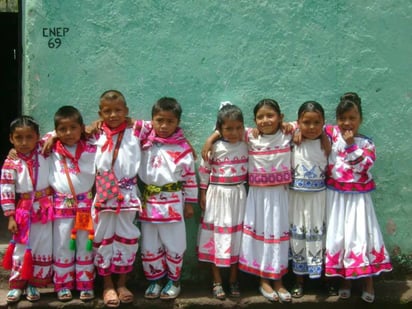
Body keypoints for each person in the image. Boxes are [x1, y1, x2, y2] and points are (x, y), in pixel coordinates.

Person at [202, 99, 293, 303]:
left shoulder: (288, 132)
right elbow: (226, 129)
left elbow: (314, 125)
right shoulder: (249, 136)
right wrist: (210, 139)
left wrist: (308, 132)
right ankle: (264, 281)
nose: (265, 120)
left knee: (278, 236)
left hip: (280, 195)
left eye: (270, 115)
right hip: (257, 196)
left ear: (281, 117)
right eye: (260, 117)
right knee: (261, 236)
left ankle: (279, 280)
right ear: (254, 121)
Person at [324, 92, 392, 303]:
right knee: (341, 237)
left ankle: (368, 282)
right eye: (342, 118)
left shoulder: (366, 144)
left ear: (360, 119)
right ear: (337, 119)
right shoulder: (332, 135)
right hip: (336, 198)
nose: (347, 123)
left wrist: (352, 145)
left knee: (361, 237)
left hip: (359, 201)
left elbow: (364, 166)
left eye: (352, 118)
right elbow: (310, 125)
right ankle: (345, 280)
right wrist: (293, 129)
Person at [136, 97, 198, 300]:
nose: (163, 126)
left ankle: (174, 280)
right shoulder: (145, 142)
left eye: (170, 121)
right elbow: (128, 124)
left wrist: (189, 203)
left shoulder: (183, 149)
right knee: (149, 244)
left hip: (172, 203)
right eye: (159, 120)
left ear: (177, 123)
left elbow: (189, 178)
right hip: (148, 203)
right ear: (152, 120)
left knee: (174, 242)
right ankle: (155, 280)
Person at [92, 90, 142, 307]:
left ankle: (122, 282)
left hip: (128, 195)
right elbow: (65, 132)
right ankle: (107, 285)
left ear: (126, 111)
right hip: (104, 196)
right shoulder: (95, 134)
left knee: (127, 237)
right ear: (100, 113)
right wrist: (53, 136)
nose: (113, 115)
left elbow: (164, 126)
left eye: (118, 110)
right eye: (107, 111)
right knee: (103, 238)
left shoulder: (137, 131)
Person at [197, 103, 248, 300]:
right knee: (217, 237)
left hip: (238, 196)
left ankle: (233, 279)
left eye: (238, 128)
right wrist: (203, 193)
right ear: (219, 129)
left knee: (237, 237)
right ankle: (217, 280)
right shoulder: (215, 148)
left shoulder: (246, 144)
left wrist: (212, 136)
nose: (234, 132)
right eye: (228, 128)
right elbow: (204, 171)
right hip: (217, 195)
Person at [1, 116, 53, 303]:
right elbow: (6, 188)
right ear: (11, 139)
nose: (24, 142)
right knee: (22, 246)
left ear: (37, 137)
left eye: (29, 137)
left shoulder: (44, 150)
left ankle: (34, 283)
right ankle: (17, 284)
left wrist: (52, 138)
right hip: (23, 208)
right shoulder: (10, 162)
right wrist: (10, 216)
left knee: (43, 243)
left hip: (45, 207)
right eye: (19, 138)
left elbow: (57, 132)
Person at [47, 106, 97, 301]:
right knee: (63, 244)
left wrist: (92, 127)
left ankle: (85, 284)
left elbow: (102, 133)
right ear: (56, 131)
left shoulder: (91, 146)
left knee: (85, 244)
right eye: (62, 129)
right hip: (62, 207)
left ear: (81, 128)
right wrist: (52, 137)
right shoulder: (51, 149)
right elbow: (33, 140)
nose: (68, 133)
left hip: (85, 206)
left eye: (73, 128)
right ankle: (63, 284)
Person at [288, 101, 328, 298]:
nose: (311, 127)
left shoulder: (327, 142)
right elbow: (278, 125)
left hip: (319, 201)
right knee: (298, 239)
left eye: (317, 122)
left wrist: (325, 136)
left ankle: (325, 279)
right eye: (306, 122)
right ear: (298, 122)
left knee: (320, 238)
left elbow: (337, 128)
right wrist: (295, 129)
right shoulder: (292, 141)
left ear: (323, 123)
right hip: (297, 199)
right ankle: (299, 280)